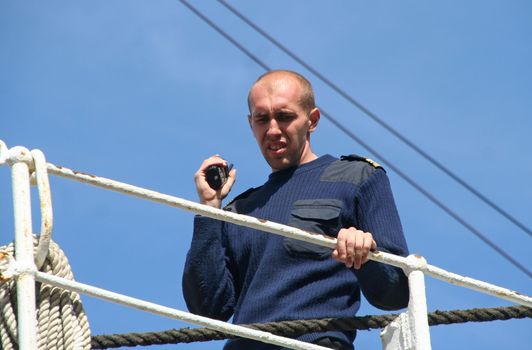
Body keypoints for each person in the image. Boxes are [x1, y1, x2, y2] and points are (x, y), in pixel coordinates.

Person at [182, 70, 409, 349]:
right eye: (262, 119)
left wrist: (366, 256)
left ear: (312, 120)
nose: (273, 129)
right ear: (251, 124)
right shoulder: (239, 210)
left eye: (285, 116)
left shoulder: (356, 178)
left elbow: (396, 292)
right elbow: (207, 308)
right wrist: (209, 210)